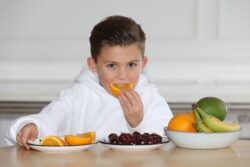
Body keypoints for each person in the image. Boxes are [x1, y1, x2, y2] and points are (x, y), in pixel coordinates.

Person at [4, 15, 173, 149]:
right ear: (93, 65)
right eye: (112, 65)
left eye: (131, 65)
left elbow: (171, 140)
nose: (123, 76)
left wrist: (139, 121)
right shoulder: (77, 95)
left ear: (143, 64)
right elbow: (51, 118)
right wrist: (31, 126)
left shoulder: (150, 96)